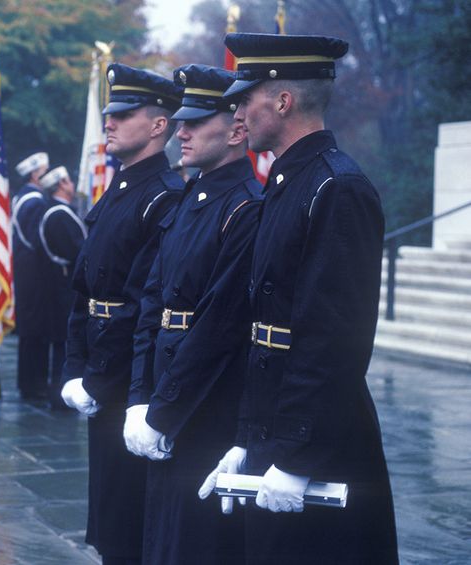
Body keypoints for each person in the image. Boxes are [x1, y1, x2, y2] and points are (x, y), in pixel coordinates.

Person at [198, 33, 399, 564]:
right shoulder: (288, 184)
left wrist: (296, 457)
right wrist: (247, 436)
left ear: (282, 101)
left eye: (245, 99)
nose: (236, 111)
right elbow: (263, 327)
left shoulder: (337, 188)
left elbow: (334, 340)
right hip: (277, 425)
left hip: (321, 437)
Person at [124, 64, 262, 564]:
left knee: (195, 540)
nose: (180, 131)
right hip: (165, 385)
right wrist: (139, 399)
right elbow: (151, 303)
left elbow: (219, 325)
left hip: (207, 401)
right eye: (181, 120)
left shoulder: (246, 208)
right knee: (161, 535)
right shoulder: (190, 199)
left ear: (236, 130)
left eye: (196, 121)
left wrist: (163, 413)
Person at [60, 63, 184, 564]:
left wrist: (100, 378)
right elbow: (85, 286)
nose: (109, 122)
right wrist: (74, 365)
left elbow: (138, 306)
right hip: (102, 371)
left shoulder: (164, 195)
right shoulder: (123, 187)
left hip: (131, 378)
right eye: (110, 113)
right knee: (110, 517)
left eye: (124, 114)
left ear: (159, 125)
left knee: (130, 521)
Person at [36, 166, 86, 411]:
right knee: (63, 344)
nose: (72, 185)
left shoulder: (60, 212)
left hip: (60, 287)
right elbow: (78, 252)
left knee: (63, 344)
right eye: (68, 181)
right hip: (63, 288)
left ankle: (60, 393)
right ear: (61, 185)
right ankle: (60, 396)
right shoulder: (59, 215)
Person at [11, 151, 56, 402]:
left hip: (27, 271)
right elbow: (37, 240)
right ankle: (33, 383)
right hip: (35, 272)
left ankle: (30, 382)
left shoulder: (24, 196)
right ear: (35, 174)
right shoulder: (35, 201)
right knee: (35, 330)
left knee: (32, 330)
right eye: (45, 171)